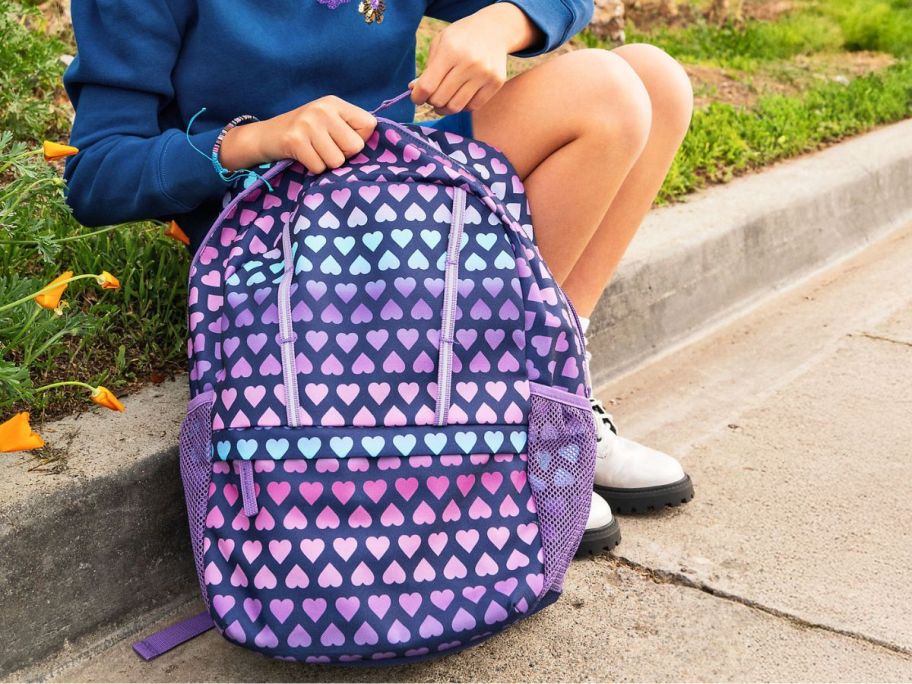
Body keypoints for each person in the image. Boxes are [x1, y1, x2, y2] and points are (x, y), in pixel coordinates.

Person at [63, 0, 695, 555]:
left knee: (654, 80)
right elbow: (97, 173)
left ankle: (554, 395)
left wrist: (502, 23)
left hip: (392, 188)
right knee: (604, 88)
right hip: (273, 225)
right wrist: (256, 140)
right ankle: (505, 430)